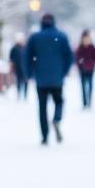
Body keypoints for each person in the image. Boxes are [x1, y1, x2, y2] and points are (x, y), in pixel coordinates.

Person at [24, 13, 73, 145]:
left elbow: (27, 56)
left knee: (42, 107)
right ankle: (57, 118)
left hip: (41, 78)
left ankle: (45, 135)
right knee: (59, 101)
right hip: (57, 78)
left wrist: (29, 73)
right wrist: (65, 71)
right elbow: (69, 55)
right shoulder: (61, 36)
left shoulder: (35, 37)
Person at [74, 30, 95, 108]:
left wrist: (92, 63)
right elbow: (77, 58)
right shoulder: (80, 48)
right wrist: (80, 64)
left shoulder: (92, 47)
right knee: (83, 86)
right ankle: (84, 102)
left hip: (90, 69)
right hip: (82, 70)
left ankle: (89, 102)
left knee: (90, 85)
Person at [8, 33, 28, 100]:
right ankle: (19, 94)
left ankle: (25, 95)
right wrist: (12, 66)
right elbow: (11, 58)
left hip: (25, 68)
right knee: (18, 81)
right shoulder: (14, 49)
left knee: (25, 82)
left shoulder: (26, 48)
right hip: (18, 68)